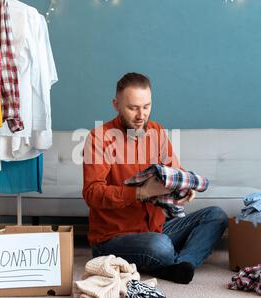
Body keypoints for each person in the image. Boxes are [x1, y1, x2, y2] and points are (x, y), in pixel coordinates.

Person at [82, 72, 228, 284]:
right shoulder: (98, 138)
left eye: (146, 106)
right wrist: (141, 192)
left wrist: (187, 189)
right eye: (133, 108)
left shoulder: (157, 132)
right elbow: (92, 193)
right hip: (113, 239)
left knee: (216, 216)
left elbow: (176, 173)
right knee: (160, 246)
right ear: (116, 104)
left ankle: (181, 264)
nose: (141, 115)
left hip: (156, 229)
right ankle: (174, 261)